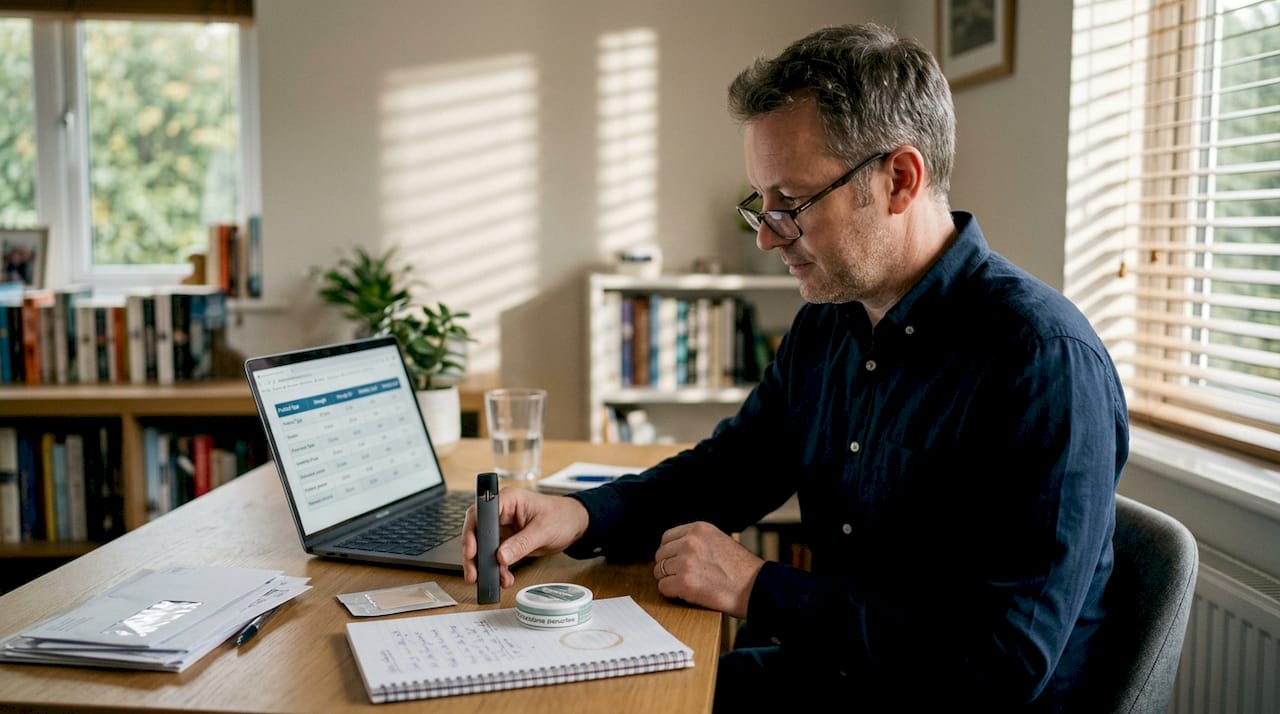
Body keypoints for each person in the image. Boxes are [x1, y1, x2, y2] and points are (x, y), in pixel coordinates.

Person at [463, 22, 1127, 712]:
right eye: (761, 202)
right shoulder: (829, 324)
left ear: (899, 179)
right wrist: (578, 514)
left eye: (793, 203)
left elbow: (1000, 662)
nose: (767, 234)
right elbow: (730, 470)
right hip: (839, 677)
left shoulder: (1041, 362)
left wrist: (756, 589)